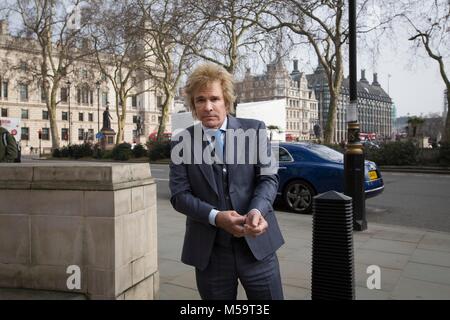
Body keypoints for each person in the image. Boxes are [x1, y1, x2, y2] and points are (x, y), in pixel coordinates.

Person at [169, 63, 284, 300]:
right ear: (193, 105)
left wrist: (256, 210)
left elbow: (269, 179)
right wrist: (216, 217)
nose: (208, 107)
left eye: (215, 98)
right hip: (210, 255)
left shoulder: (256, 130)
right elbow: (179, 196)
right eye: (200, 100)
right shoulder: (181, 142)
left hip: (257, 248)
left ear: (227, 101)